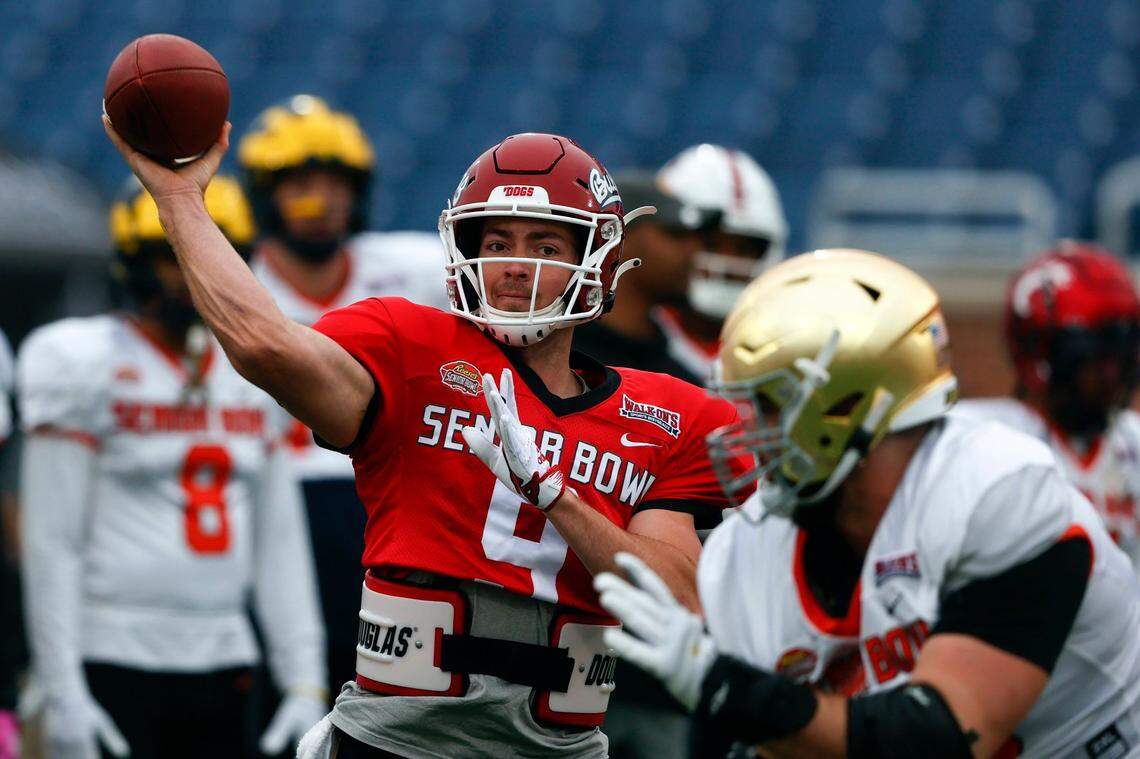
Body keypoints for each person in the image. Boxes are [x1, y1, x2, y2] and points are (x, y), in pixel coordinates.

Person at [103, 119, 741, 758]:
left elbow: (676, 599)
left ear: (595, 263)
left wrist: (557, 498)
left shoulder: (665, 411)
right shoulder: (410, 348)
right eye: (497, 241)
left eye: (544, 247)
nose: (515, 266)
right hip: (398, 740)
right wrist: (182, 202)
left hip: (563, 748)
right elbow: (264, 344)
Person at [595, 250, 1140, 758]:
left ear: (850, 404)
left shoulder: (997, 490)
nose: (742, 428)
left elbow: (945, 738)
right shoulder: (747, 553)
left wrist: (731, 692)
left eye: (767, 402)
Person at [17, 177, 327, 759]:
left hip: (226, 653)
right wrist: (61, 689)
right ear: (135, 263)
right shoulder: (81, 361)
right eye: (170, 259)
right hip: (111, 649)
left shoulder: (253, 373)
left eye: (208, 256)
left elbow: (279, 543)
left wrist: (304, 680)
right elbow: (51, 543)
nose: (190, 277)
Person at [238, 93, 451, 703]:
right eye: (299, 182)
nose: (321, 199)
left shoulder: (414, 268)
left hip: (395, 506)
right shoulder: (238, 287)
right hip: (280, 514)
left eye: (335, 182)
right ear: (263, 193)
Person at [958, 241, 1140, 567]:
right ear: (1042, 356)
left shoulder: (1132, 443)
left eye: (1121, 360)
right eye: (1095, 361)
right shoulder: (976, 441)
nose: (1111, 377)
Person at [651, 144, 788, 380]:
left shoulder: (786, 350)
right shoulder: (632, 338)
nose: (727, 263)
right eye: (711, 244)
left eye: (744, 248)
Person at [573, 170, 716, 385]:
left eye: (699, 239)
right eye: (676, 234)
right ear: (618, 237)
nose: (695, 250)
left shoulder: (685, 386)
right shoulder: (554, 361)